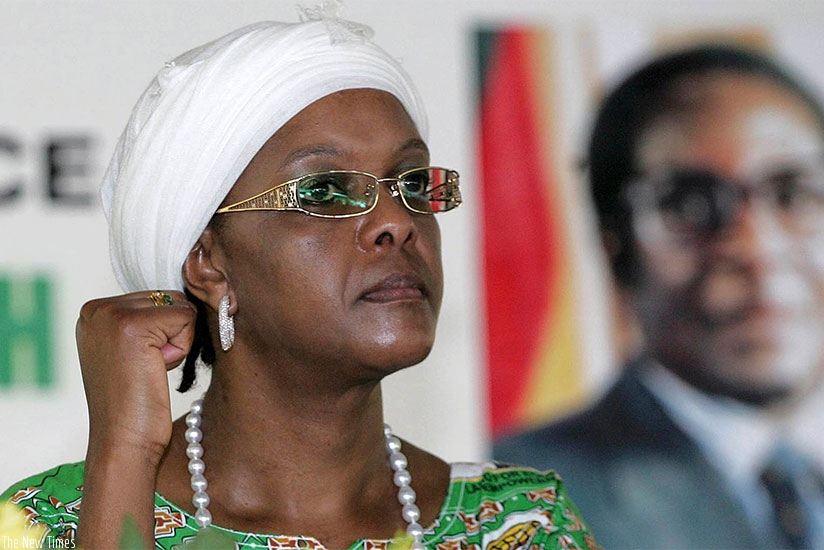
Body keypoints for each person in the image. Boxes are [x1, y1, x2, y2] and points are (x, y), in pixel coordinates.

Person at [1, 8, 599, 550]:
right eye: (324, 191)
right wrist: (124, 454)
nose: (395, 221)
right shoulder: (43, 526)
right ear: (208, 261)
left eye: (413, 182)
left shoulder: (524, 525)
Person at [494, 42, 824, 549]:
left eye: (793, 193)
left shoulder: (805, 481)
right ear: (614, 248)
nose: (757, 248)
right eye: (690, 206)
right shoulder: (526, 501)